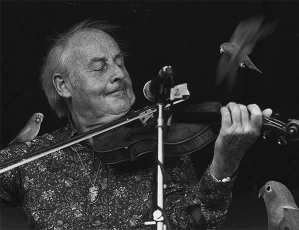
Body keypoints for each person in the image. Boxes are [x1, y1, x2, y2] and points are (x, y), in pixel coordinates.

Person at [0, 20, 272, 230]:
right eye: (100, 67)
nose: (118, 74)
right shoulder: (32, 159)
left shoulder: (158, 143)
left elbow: (195, 222)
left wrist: (224, 162)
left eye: (120, 63)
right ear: (63, 85)